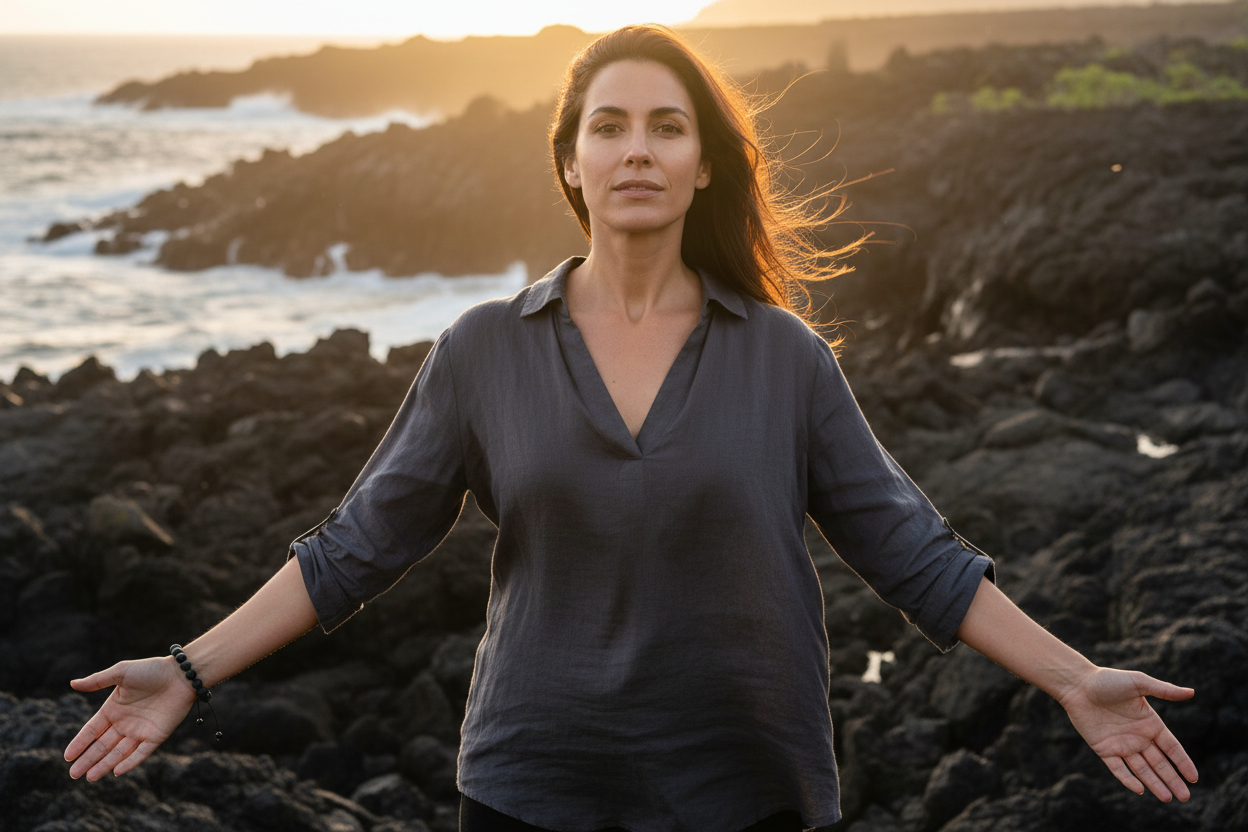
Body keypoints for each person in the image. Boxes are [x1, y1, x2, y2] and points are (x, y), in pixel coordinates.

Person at [64, 24, 1197, 832]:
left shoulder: (784, 359)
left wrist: (1073, 678)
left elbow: (917, 557)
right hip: (529, 790)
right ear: (571, 159)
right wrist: (185, 670)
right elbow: (356, 546)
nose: (638, 149)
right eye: (609, 127)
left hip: (746, 788)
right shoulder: (482, 349)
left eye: (667, 127)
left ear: (705, 164)